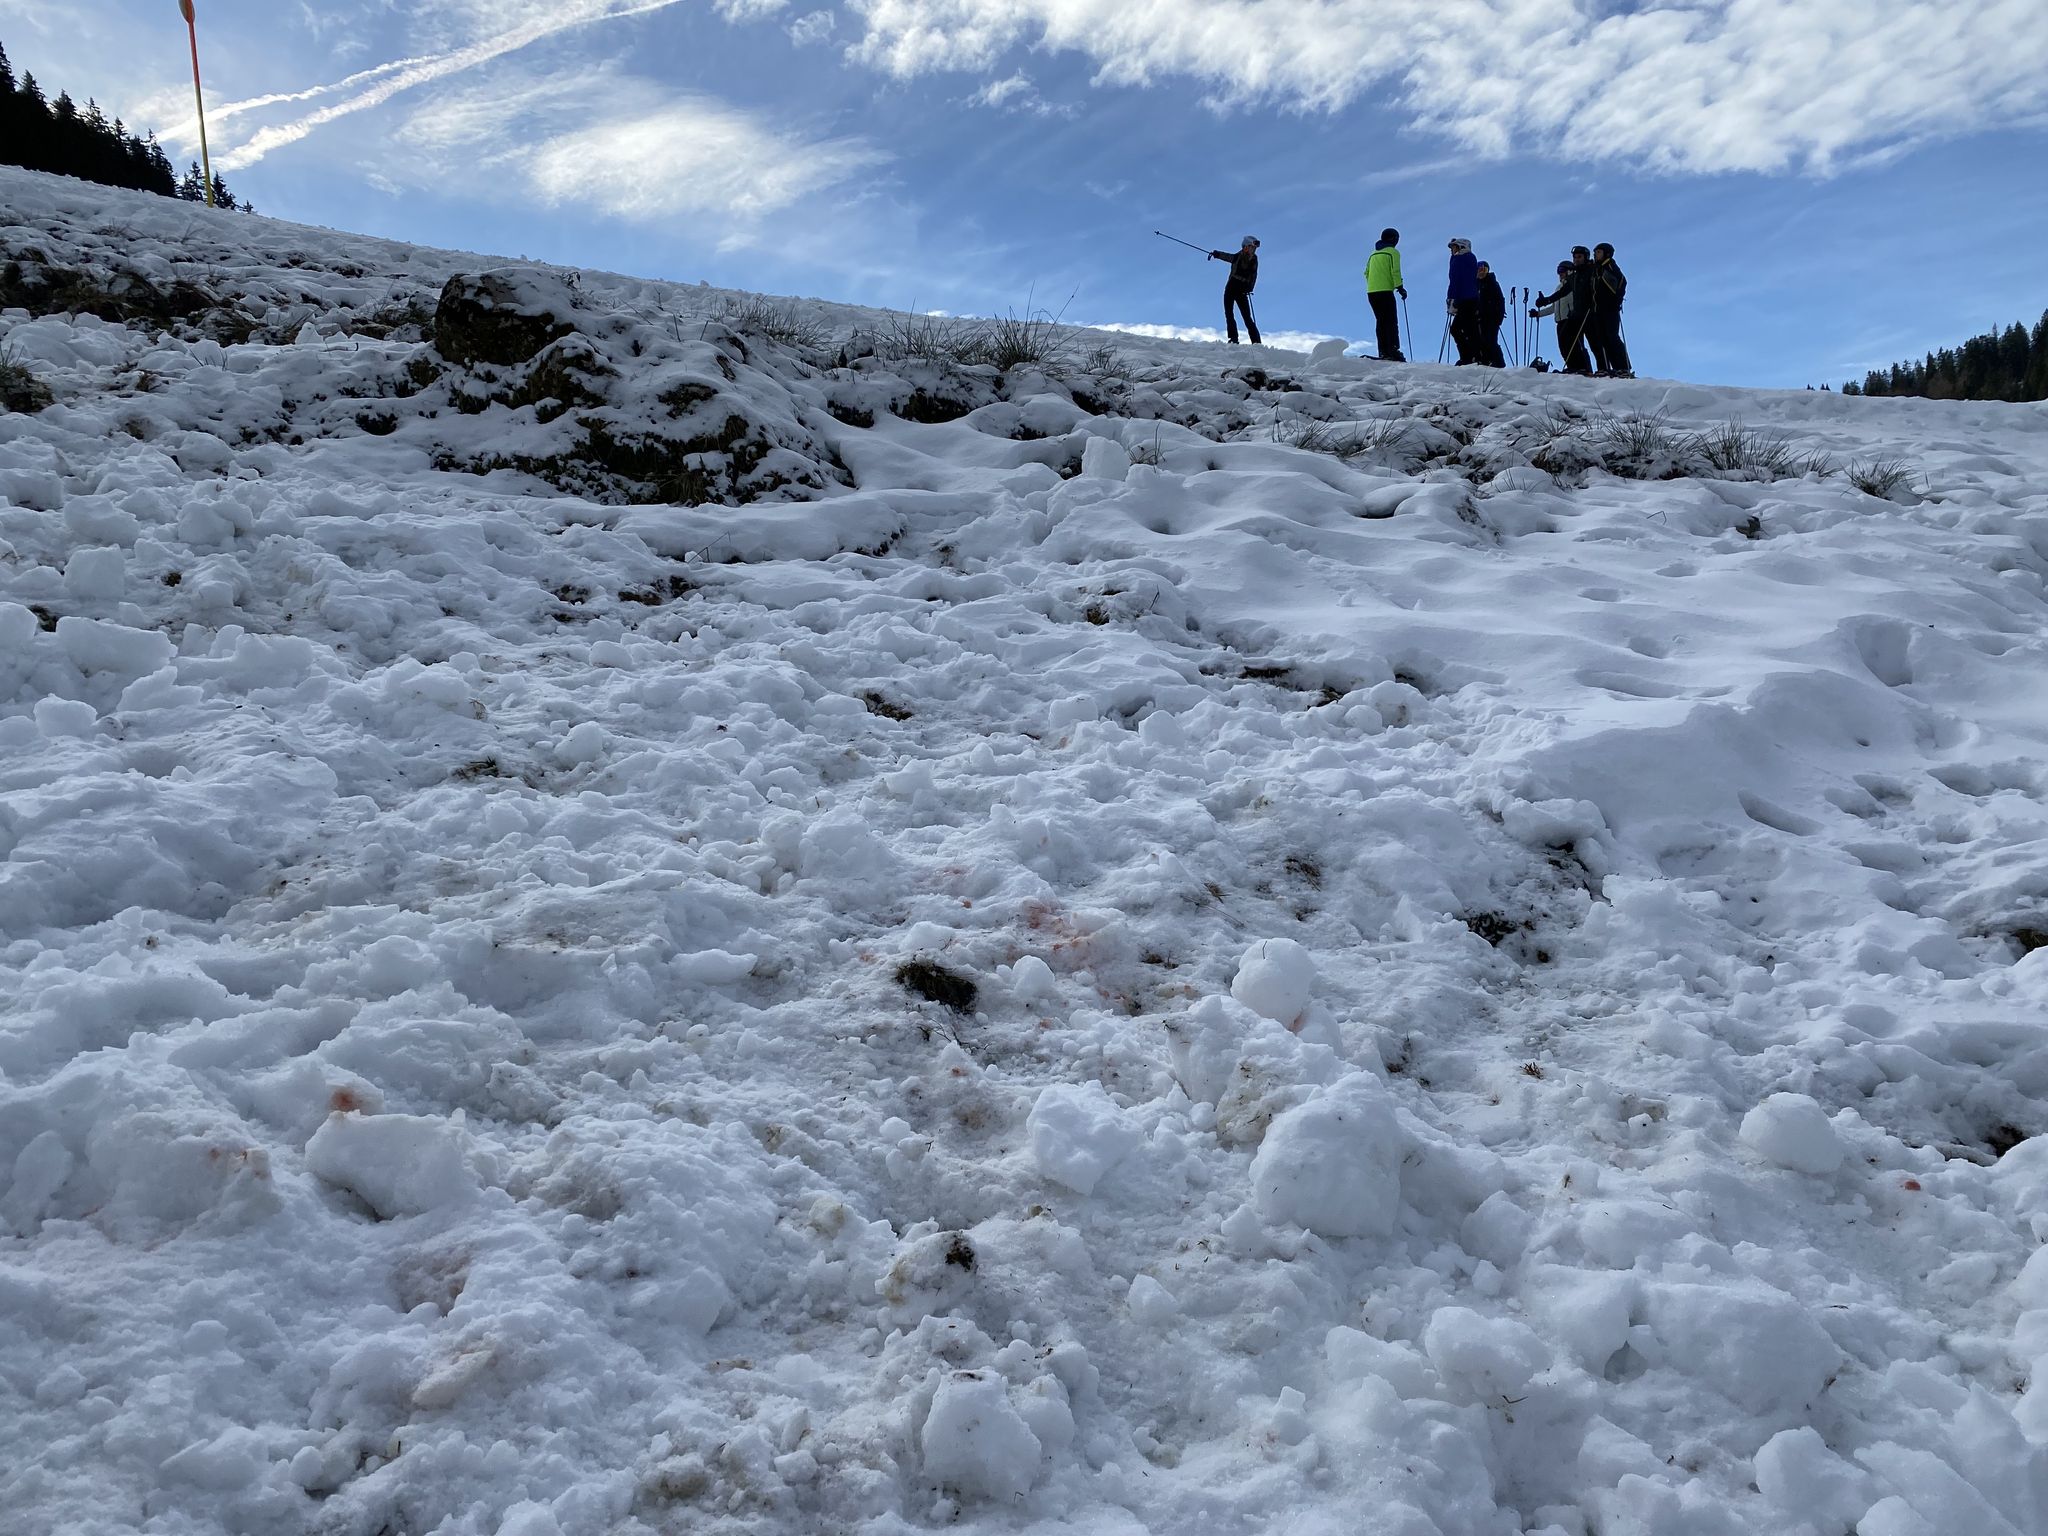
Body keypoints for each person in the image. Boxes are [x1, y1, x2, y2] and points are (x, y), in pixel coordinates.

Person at [1532, 260, 1594, 375]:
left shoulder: (1574, 284)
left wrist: (1574, 313)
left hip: (1572, 319)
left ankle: (1583, 368)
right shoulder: (1559, 287)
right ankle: (1572, 367)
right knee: (1564, 347)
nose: (1560, 273)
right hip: (1560, 321)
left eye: (1562, 270)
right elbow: (1554, 307)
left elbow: (1579, 301)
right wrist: (1538, 314)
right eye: (1558, 271)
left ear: (1570, 271)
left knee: (1575, 345)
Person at [1589, 242, 1633, 377]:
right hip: (1598, 309)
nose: (1595, 255)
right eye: (1595, 252)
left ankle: (1624, 367)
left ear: (1606, 254)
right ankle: (1614, 367)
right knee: (1603, 338)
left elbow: (1621, 282)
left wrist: (1617, 300)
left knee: (1612, 337)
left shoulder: (1609, 266)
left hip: (1609, 309)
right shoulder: (1598, 268)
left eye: (1598, 252)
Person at [1208, 235, 1261, 345]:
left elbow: (1254, 276)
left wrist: (1249, 288)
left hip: (1242, 290)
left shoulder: (1254, 260)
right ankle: (1233, 339)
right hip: (1231, 287)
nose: (1253, 250)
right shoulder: (1237, 257)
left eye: (1254, 248)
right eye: (1251, 247)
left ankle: (1256, 342)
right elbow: (1227, 257)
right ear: (1245, 247)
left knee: (1247, 318)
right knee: (1229, 313)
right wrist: (1217, 254)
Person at [1364, 227, 1407, 361]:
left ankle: (1383, 351)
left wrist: (1373, 284)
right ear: (1393, 239)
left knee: (1381, 322)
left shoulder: (1373, 254)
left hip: (1371, 292)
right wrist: (1400, 287)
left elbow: (1366, 273)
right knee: (1391, 321)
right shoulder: (1393, 252)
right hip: (1385, 291)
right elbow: (1395, 271)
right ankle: (1393, 351)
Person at [1445, 237, 1481, 364]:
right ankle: (1474, 356)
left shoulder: (1460, 259)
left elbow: (1455, 279)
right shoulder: (1469, 258)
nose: (1452, 250)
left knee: (1459, 329)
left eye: (1454, 247)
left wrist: (1451, 298)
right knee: (1469, 329)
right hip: (1469, 299)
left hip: (1465, 299)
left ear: (1461, 247)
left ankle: (1469, 357)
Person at [1475, 260, 1507, 367]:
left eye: (1484, 270)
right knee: (1480, 340)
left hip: (1492, 317)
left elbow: (1500, 300)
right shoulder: (1476, 284)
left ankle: (1498, 362)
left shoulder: (1492, 283)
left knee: (1490, 340)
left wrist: (1499, 316)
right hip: (1480, 317)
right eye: (1479, 270)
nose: (1481, 272)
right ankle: (1485, 360)